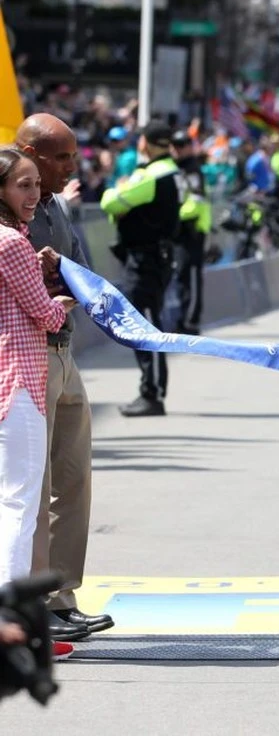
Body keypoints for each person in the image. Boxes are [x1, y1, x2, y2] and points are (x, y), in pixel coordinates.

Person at [15, 114, 112, 641]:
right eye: (60, 156)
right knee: (35, 487)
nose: (70, 167)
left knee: (73, 480)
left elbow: (84, 268)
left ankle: (61, 598)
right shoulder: (9, 220)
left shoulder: (54, 206)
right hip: (23, 359)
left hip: (62, 352)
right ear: (27, 151)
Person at [0, 149, 73, 626]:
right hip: (19, 383)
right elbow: (43, 315)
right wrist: (62, 302)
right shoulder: (11, 245)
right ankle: (15, 624)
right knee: (20, 506)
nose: (34, 195)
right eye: (22, 185)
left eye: (35, 185)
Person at [100, 120, 183, 417]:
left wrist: (121, 189)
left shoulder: (149, 177)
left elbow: (109, 202)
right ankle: (151, 390)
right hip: (155, 257)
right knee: (148, 320)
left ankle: (152, 392)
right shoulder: (172, 173)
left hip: (146, 259)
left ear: (144, 144)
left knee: (145, 325)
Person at [171, 130, 211, 335]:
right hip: (179, 231)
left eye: (181, 145)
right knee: (182, 275)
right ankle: (184, 317)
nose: (177, 150)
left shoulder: (193, 169)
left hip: (193, 229)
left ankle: (192, 320)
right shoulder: (174, 167)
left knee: (192, 276)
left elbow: (196, 200)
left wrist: (174, 215)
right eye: (174, 145)